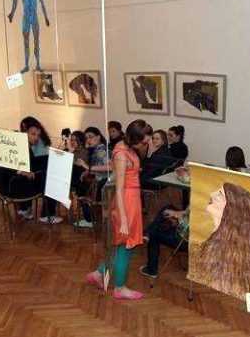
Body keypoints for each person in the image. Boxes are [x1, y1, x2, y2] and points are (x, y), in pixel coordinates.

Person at [85, 120, 150, 300]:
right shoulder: (121, 154)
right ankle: (119, 288)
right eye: (144, 142)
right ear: (135, 139)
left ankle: (99, 273)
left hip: (132, 198)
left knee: (122, 245)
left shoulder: (126, 146)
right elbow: (119, 189)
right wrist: (123, 218)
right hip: (126, 201)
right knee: (126, 246)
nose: (146, 144)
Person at [193, 183, 250, 299]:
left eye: (219, 195)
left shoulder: (248, 273)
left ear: (235, 213)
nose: (207, 208)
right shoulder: (214, 250)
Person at [0, 116, 61, 224]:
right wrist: (22, 172)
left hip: (15, 185)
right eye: (33, 134)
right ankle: (47, 215)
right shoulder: (17, 146)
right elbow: (4, 166)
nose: (36, 138)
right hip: (15, 188)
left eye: (38, 135)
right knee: (52, 179)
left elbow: (32, 164)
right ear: (24, 133)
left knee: (48, 173)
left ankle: (26, 209)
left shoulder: (25, 146)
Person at [7, 0, 50, 74]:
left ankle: (38, 64)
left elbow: (41, 1)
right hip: (26, 16)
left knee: (36, 41)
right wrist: (12, 13)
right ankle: (26, 65)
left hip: (34, 16)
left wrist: (46, 17)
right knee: (26, 41)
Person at [74, 127, 111, 228]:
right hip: (101, 181)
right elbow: (99, 165)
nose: (88, 140)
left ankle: (89, 219)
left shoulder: (101, 150)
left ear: (98, 137)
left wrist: (88, 167)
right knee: (80, 183)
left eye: (90, 137)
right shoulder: (97, 149)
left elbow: (110, 167)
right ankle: (89, 218)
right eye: (86, 138)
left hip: (104, 184)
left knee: (80, 186)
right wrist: (88, 171)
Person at [139, 206, 189, 279]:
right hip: (192, 237)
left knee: (154, 234)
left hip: (184, 241)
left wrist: (179, 216)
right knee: (167, 208)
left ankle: (151, 270)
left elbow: (189, 223)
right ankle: (148, 232)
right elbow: (191, 213)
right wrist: (179, 213)